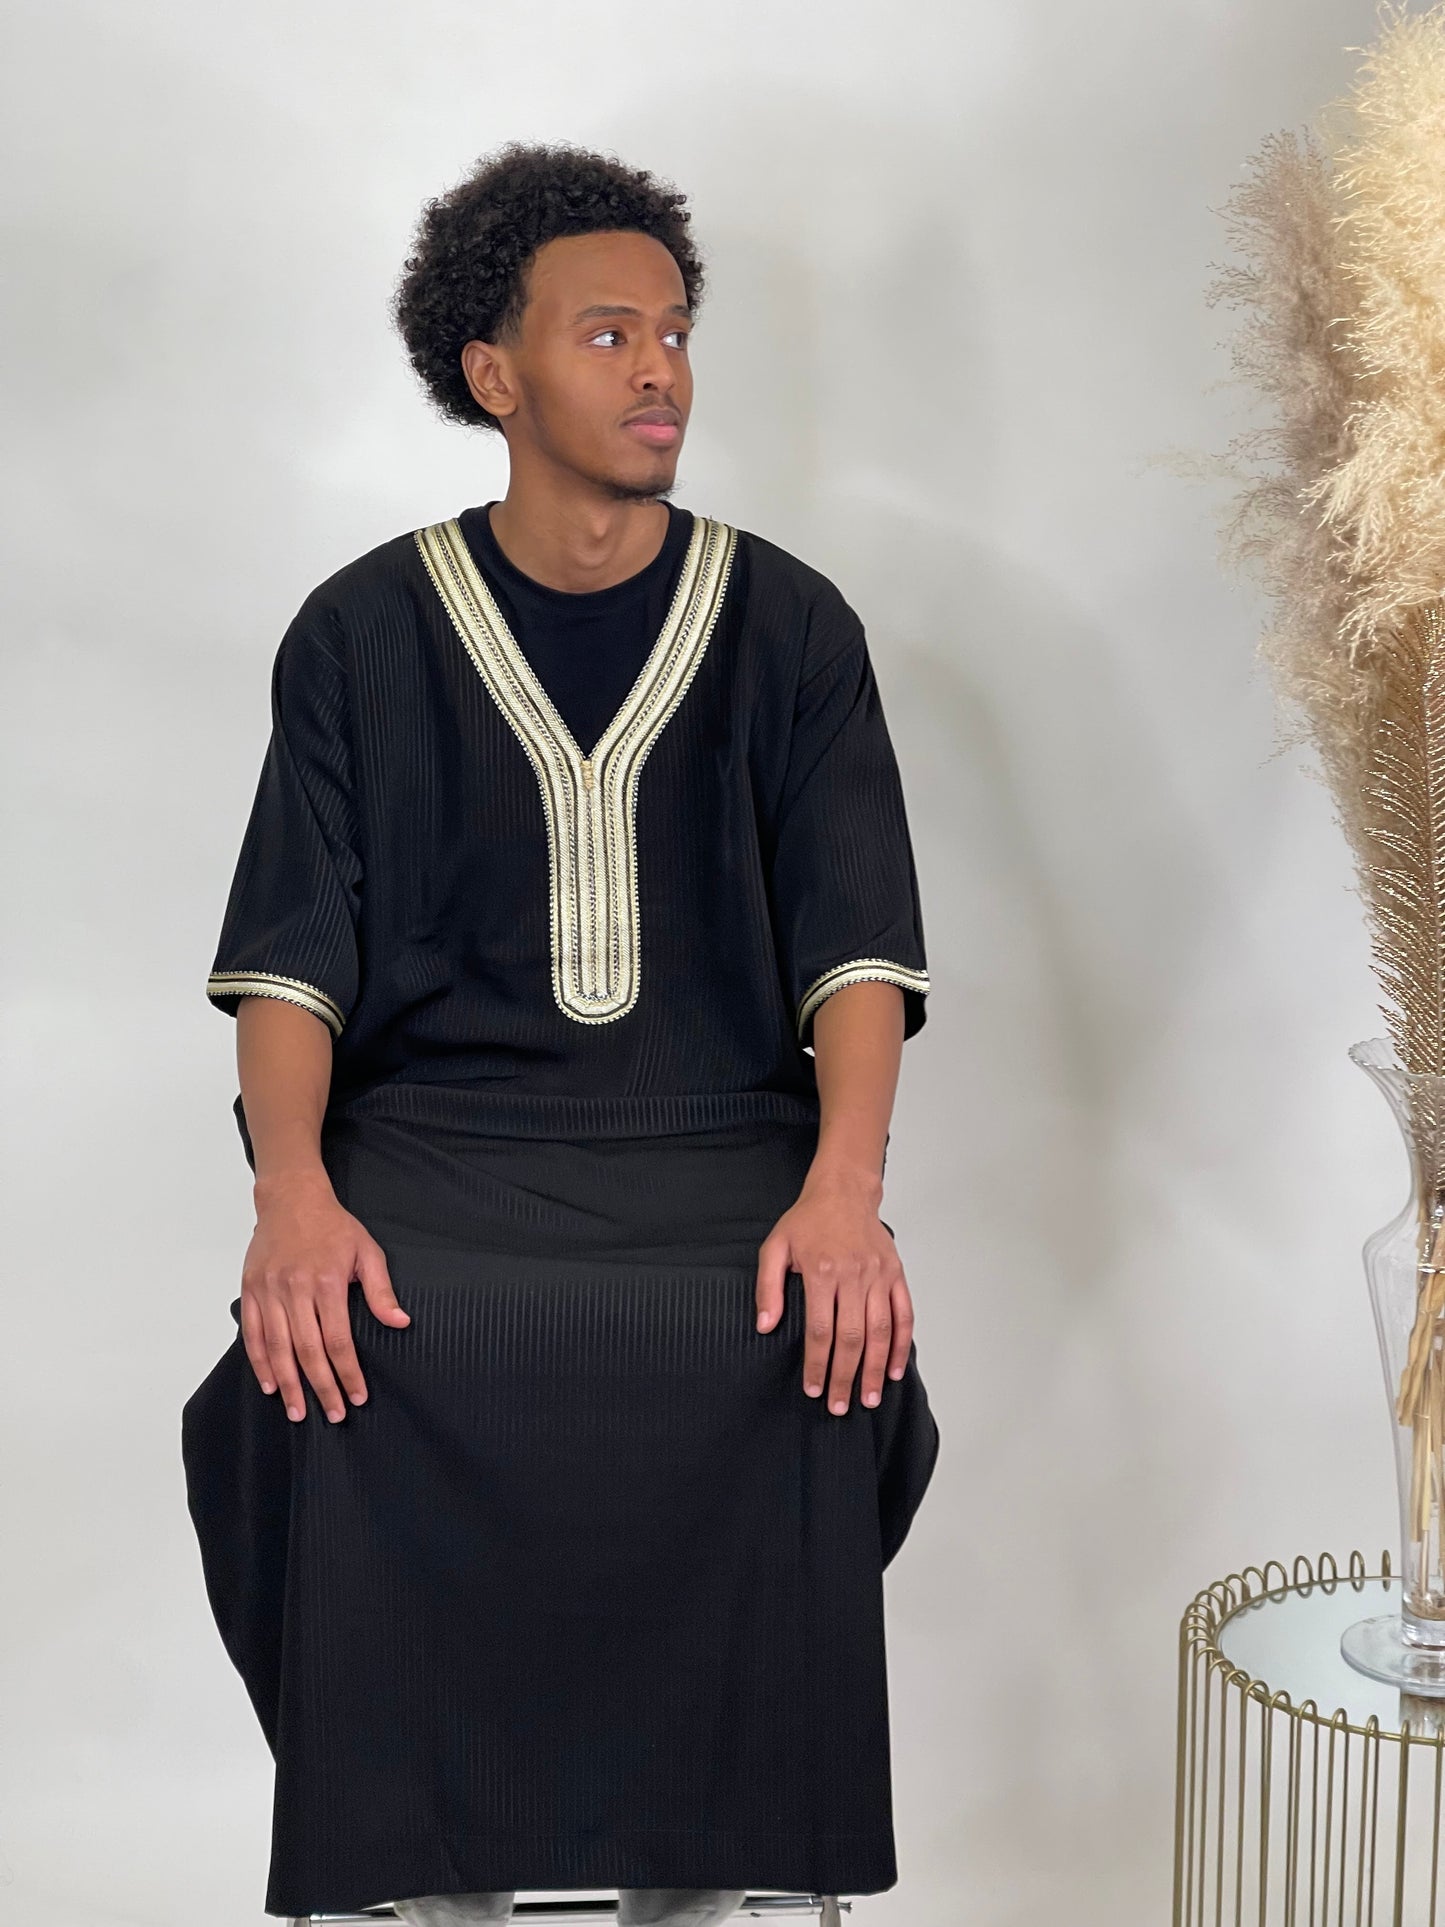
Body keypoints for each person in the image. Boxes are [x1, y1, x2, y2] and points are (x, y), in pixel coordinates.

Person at [180, 140, 940, 1927]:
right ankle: (431, 1881)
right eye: (608, 334)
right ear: (494, 374)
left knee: (802, 1344)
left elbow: (856, 950)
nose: (660, 369)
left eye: (674, 332)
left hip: (718, 1145)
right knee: (333, 1360)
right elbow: (290, 963)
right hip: (434, 1150)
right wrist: (293, 1197)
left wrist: (845, 1192)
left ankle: (707, 1884)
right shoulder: (360, 633)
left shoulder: (788, 624)